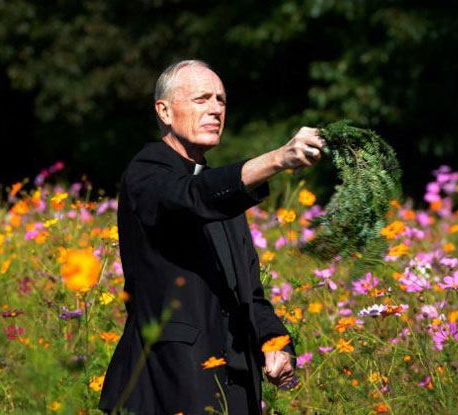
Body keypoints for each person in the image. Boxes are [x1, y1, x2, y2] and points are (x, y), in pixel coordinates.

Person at [99, 60, 325, 415]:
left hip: (235, 383)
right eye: (201, 99)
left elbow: (250, 294)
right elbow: (192, 198)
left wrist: (276, 344)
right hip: (169, 382)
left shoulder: (225, 197)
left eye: (221, 100)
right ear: (165, 111)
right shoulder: (147, 172)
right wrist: (279, 159)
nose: (216, 109)